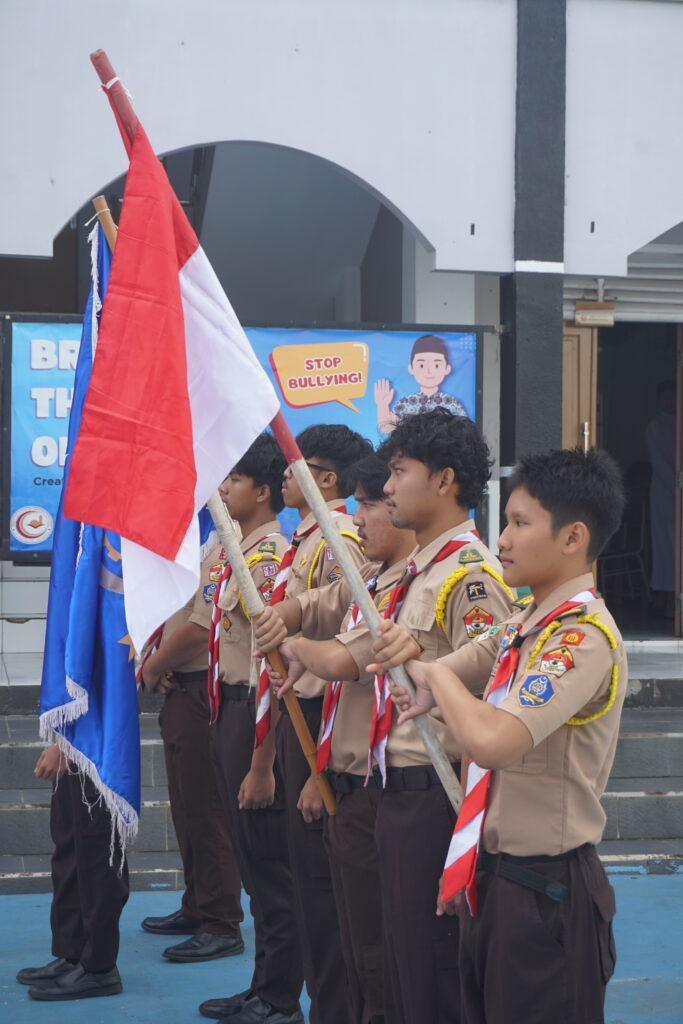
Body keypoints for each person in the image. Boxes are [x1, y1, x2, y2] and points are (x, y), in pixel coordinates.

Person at [277, 409, 511, 1024]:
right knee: (392, 959)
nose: (388, 487)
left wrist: (439, 669)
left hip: (434, 790)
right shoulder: (414, 572)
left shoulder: (470, 573)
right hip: (392, 790)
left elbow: (491, 669)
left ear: (443, 480)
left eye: (400, 472)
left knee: (427, 966)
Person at [381, 447, 627, 1024]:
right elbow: (463, 668)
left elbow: (492, 739)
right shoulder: (523, 623)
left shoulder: (580, 638)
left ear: (573, 539)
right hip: (493, 878)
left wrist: (436, 674)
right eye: (506, 522)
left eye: (520, 524)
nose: (505, 540)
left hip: (544, 890)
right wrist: (424, 674)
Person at [255, 453, 416, 1024]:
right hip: (347, 775)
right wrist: (288, 619)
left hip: (393, 787)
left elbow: (351, 659)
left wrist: (299, 651)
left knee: (380, 951)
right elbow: (327, 605)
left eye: (374, 503)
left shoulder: (442, 578)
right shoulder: (376, 574)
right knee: (349, 935)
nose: (362, 516)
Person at [181, 433, 305, 1024]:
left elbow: (270, 665)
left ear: (261, 492)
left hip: (254, 713)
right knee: (254, 862)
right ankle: (264, 986)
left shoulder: (263, 559)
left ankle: (280, 996)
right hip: (227, 706)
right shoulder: (232, 549)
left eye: (232, 481)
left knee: (268, 863)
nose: (222, 489)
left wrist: (261, 760)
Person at [272, 424, 372, 1024]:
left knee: (322, 886)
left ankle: (334, 1008)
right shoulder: (306, 538)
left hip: (323, 712)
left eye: (293, 467)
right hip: (299, 704)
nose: (285, 477)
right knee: (305, 878)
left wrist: (320, 762)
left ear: (326, 478)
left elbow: (348, 648)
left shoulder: (341, 541)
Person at [139, 513, 244, 962]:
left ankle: (222, 921)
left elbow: (202, 630)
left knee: (206, 809)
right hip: (182, 687)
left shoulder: (226, 546)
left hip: (204, 687)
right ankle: (198, 904)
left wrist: (154, 665)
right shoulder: (196, 543)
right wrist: (158, 663)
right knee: (185, 807)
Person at [16, 745, 128, 1000]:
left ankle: (99, 967)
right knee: (71, 845)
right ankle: (73, 951)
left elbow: (98, 703)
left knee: (97, 850)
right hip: (78, 740)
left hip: (94, 744)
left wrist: (64, 745)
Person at [374, 334, 468, 434]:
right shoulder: (406, 403)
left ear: (447, 368)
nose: (429, 371)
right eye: (421, 365)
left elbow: (465, 432)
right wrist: (382, 405)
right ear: (411, 368)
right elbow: (387, 428)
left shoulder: (451, 403)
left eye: (436, 365)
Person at [645, 379, 676, 616]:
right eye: (666, 396)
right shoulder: (655, 426)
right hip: (665, 494)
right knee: (665, 546)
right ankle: (665, 599)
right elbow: (659, 462)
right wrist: (678, 487)